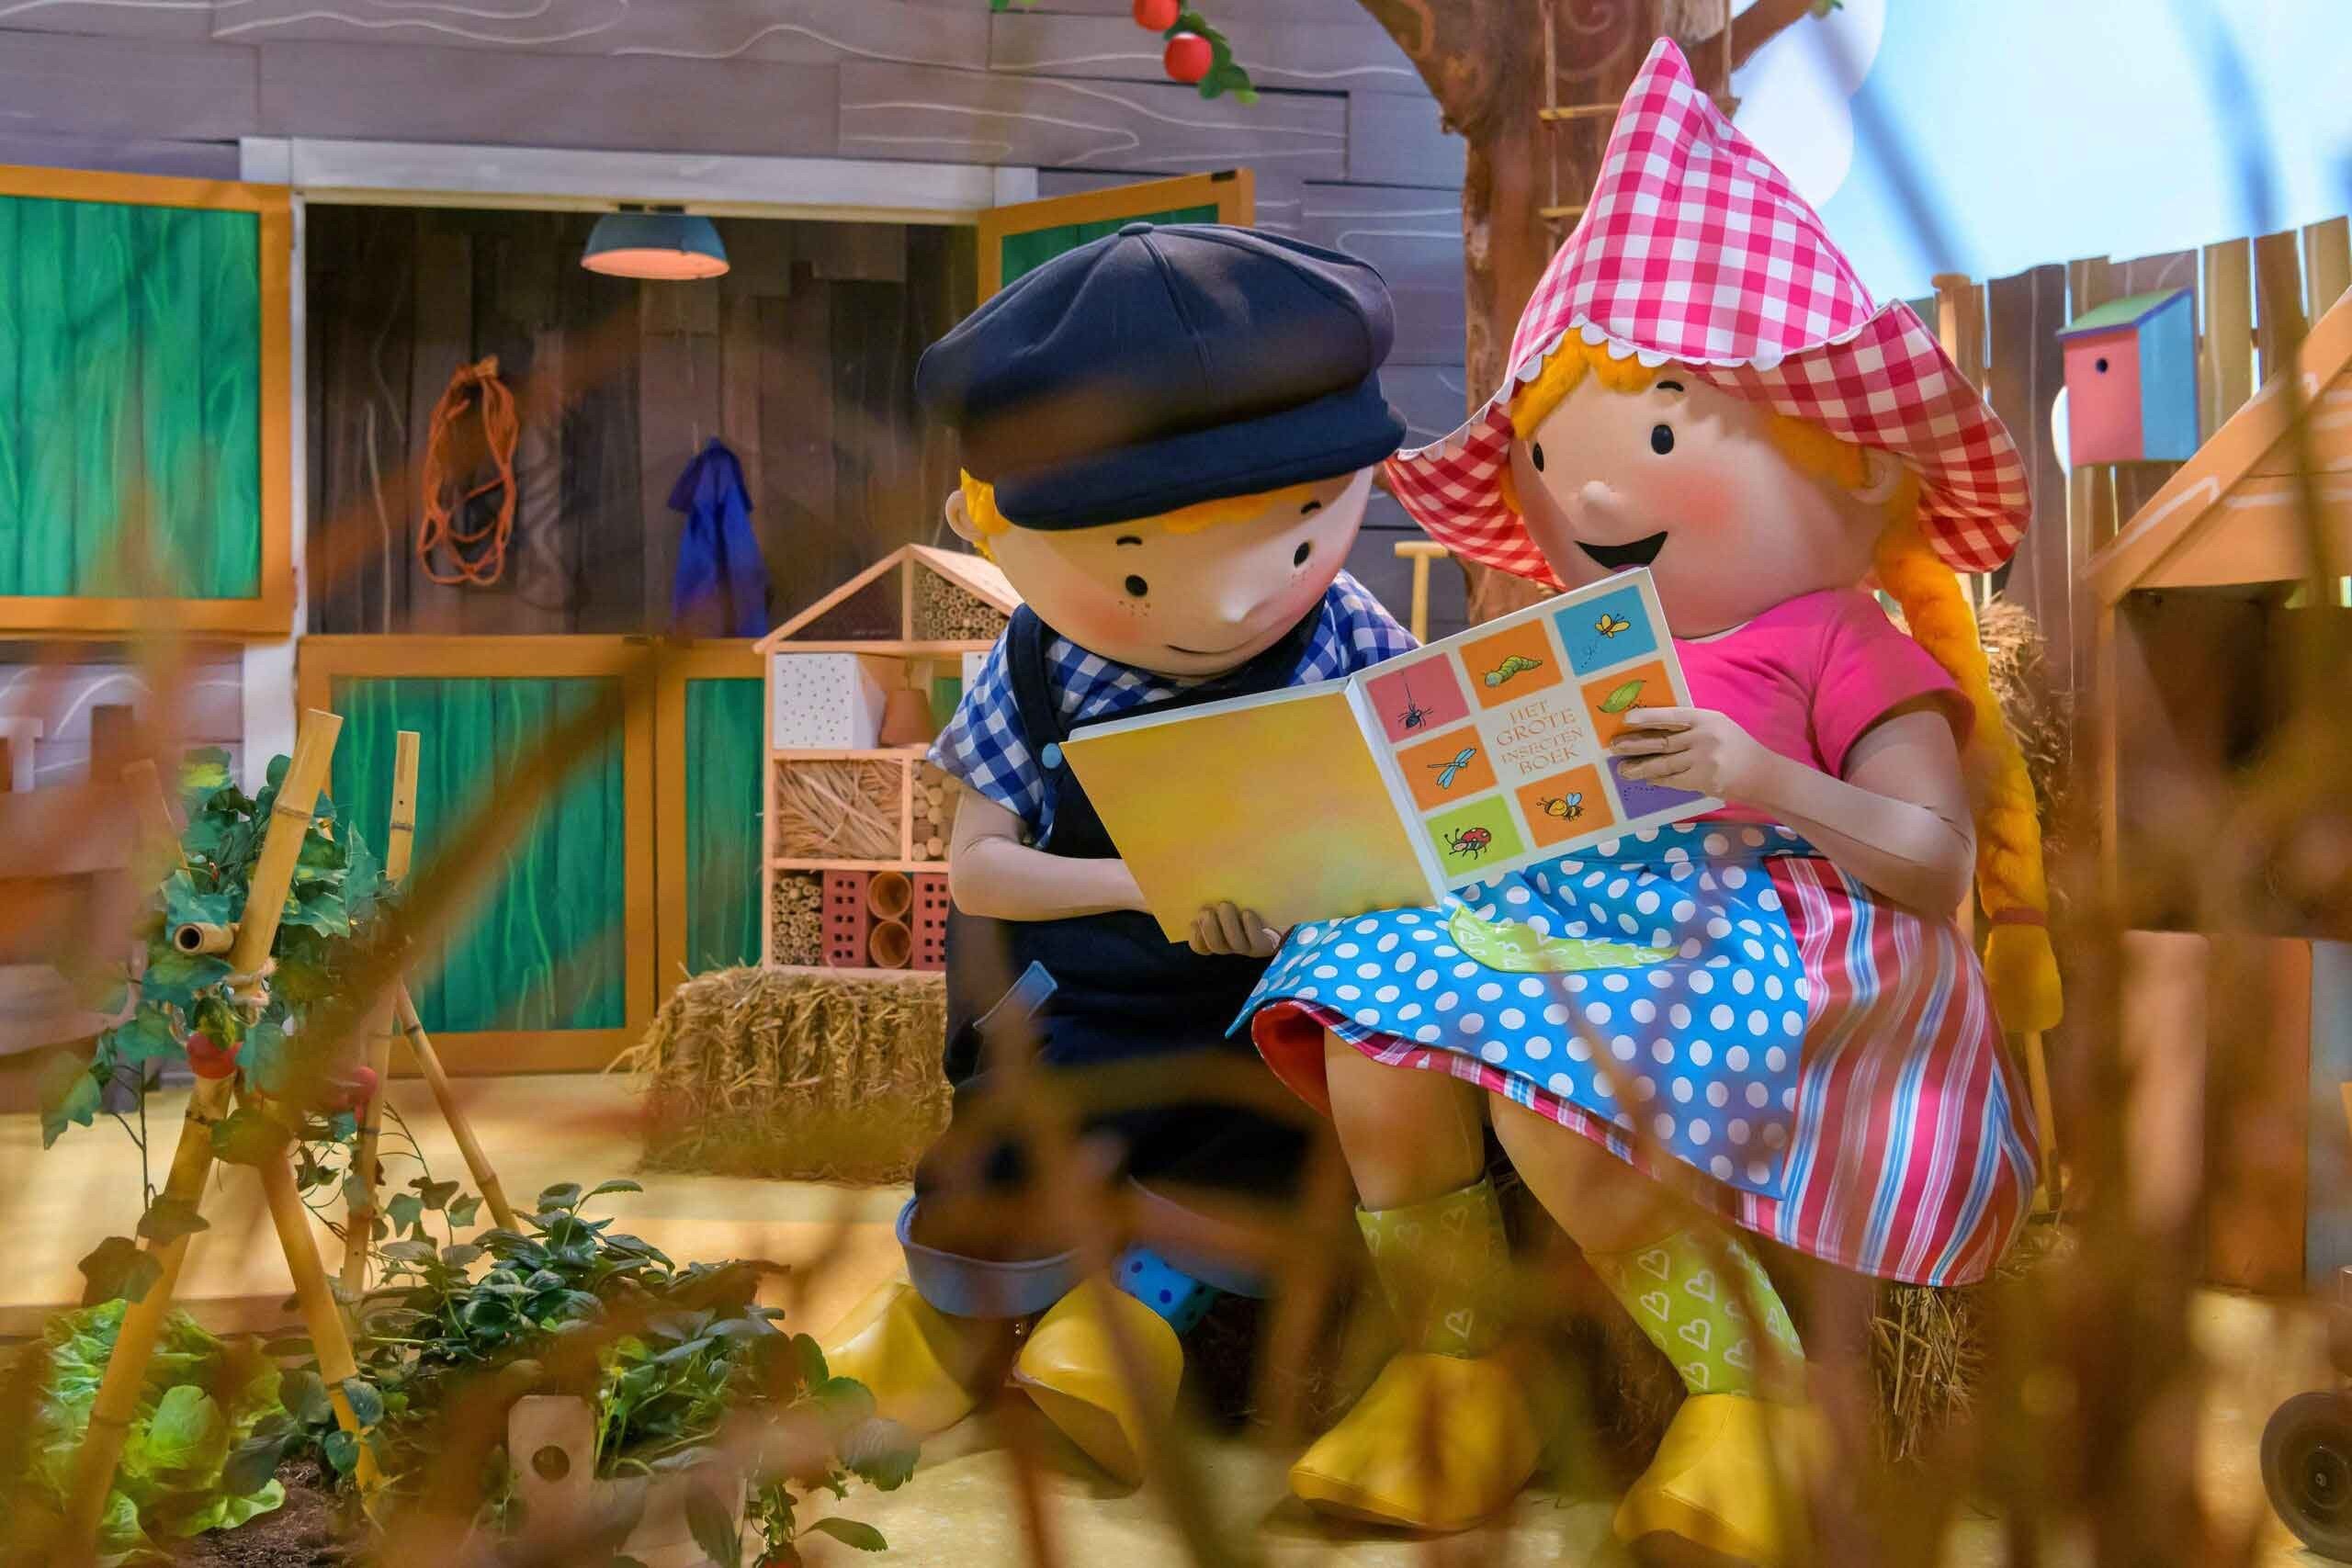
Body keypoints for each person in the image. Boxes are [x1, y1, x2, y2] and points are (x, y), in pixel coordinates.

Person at [1210, 40, 2063, 1564]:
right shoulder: (1572, 646)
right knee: (1366, 1024)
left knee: (1557, 1090)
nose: (1590, 497)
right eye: (1547, 458)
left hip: (1767, 939)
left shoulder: (1837, 638)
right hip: (1580, 912)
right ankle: (1460, 1369)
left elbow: (1934, 864)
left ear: (1862, 474)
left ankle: (1757, 1397)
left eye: (1662, 436)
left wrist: (1762, 777)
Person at [822, 221, 1419, 1485]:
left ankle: (1130, 1318)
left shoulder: (1347, 632)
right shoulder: (1034, 666)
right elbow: (978, 868)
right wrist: (1150, 886)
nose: (1232, 604)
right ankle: (936, 1329)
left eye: (1297, 537)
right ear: (984, 525)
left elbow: (1422, 784)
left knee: (1251, 1151)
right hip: (1077, 997)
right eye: (1136, 573)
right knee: (1014, 1150)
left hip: (1262, 1004)